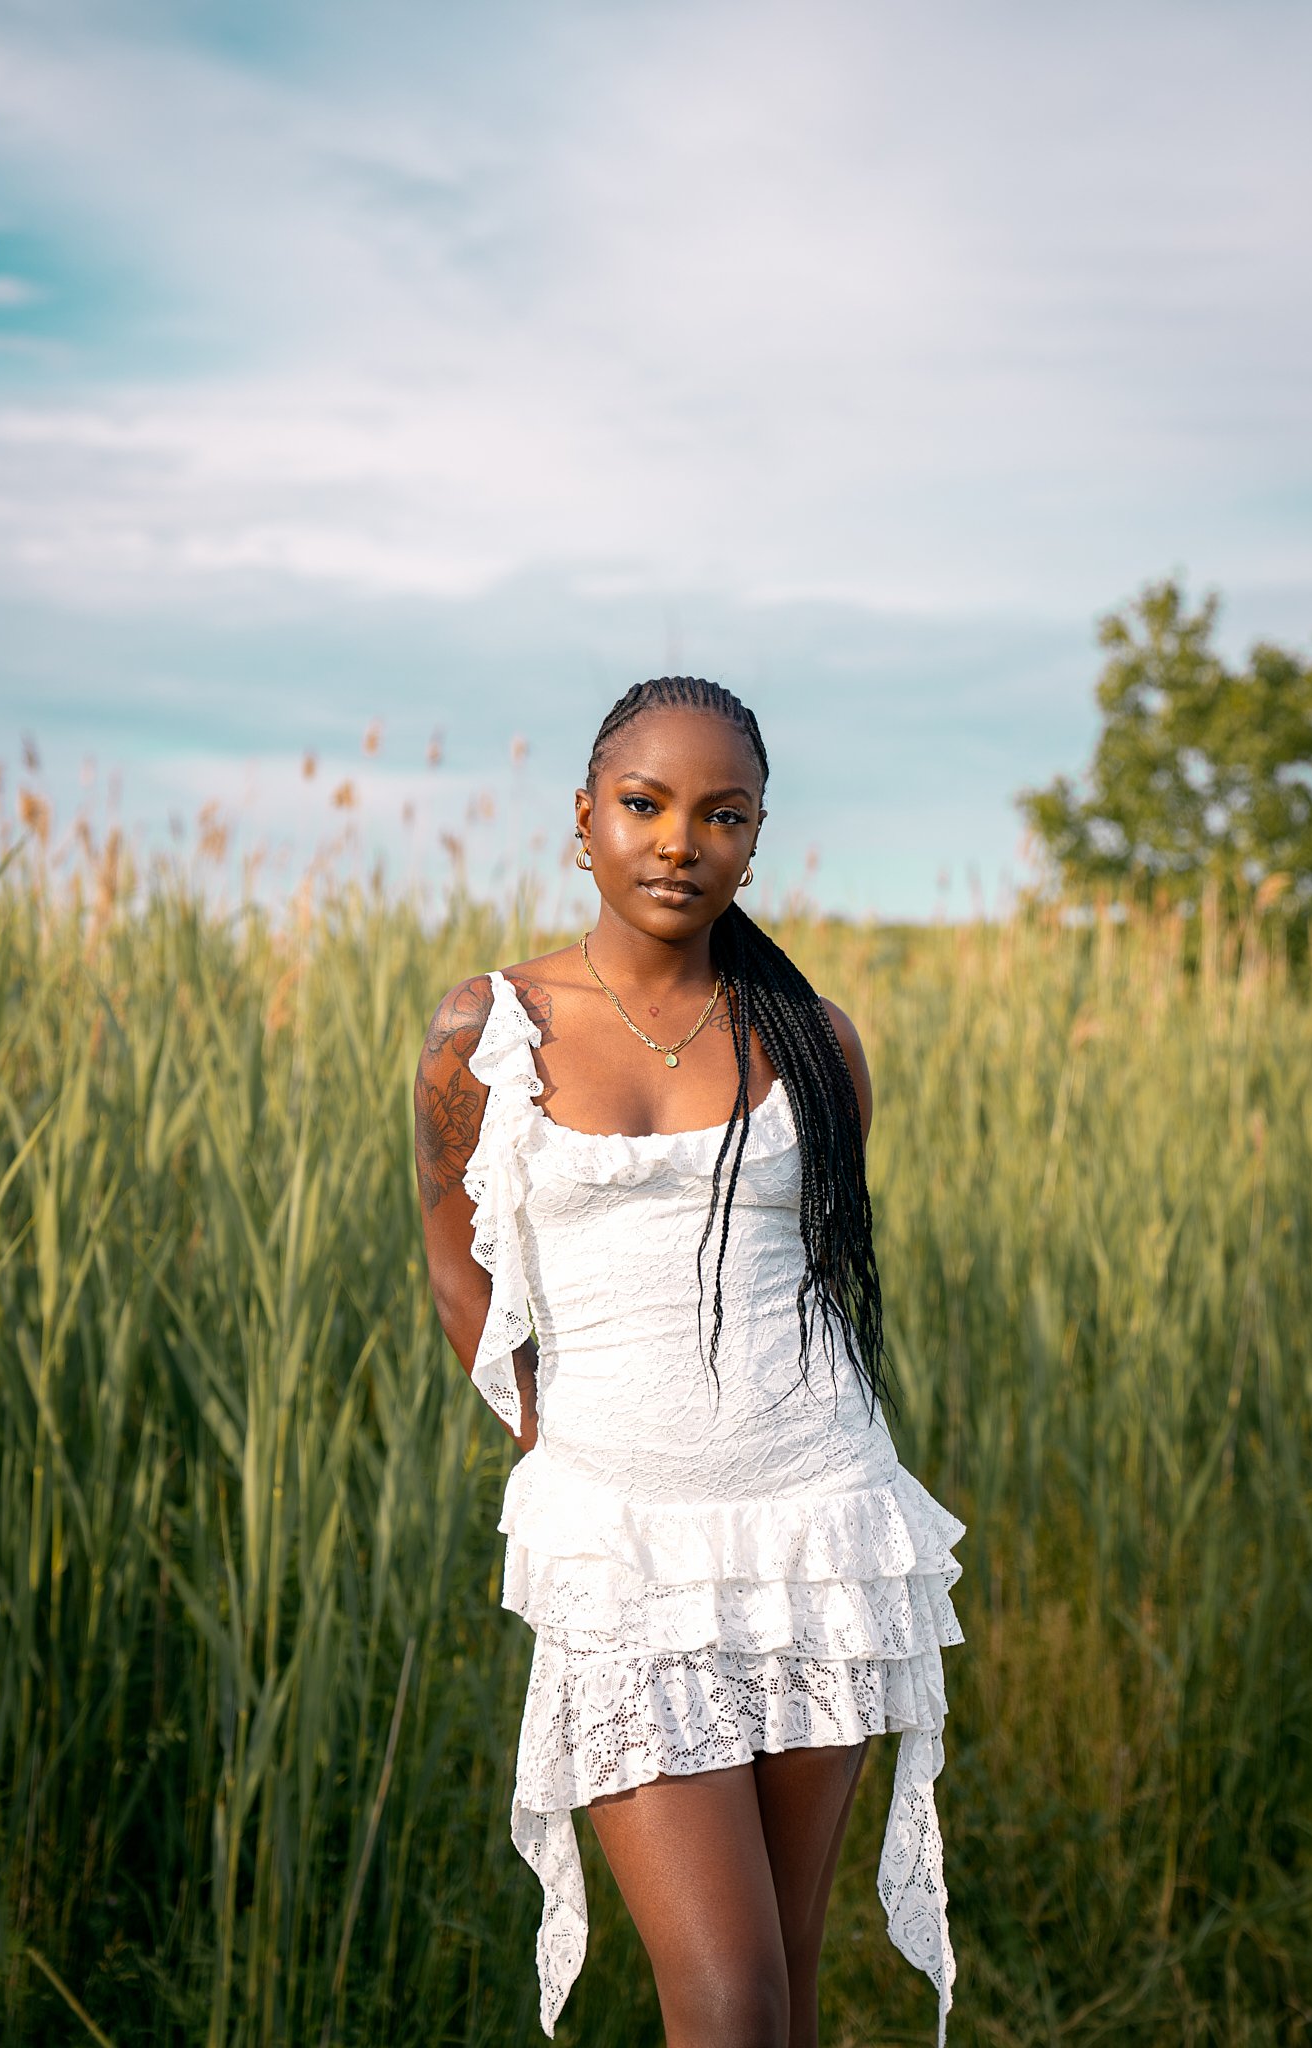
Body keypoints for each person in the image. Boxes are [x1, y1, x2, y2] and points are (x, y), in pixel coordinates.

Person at [414, 677, 964, 2048]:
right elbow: (454, 1264)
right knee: (721, 1997)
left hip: (816, 1526)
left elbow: (821, 1278)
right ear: (585, 820)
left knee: (779, 1984)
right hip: (623, 1546)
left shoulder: (816, 1040)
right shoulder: (486, 1032)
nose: (681, 841)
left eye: (724, 814)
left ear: (757, 838)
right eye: (646, 805)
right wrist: (561, 1450)